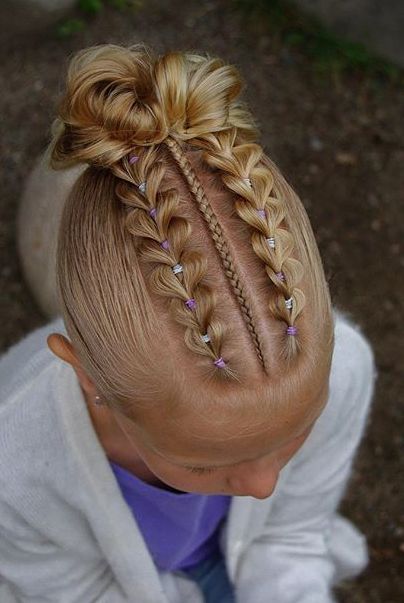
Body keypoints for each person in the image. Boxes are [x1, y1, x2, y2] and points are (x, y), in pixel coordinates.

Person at [0, 44, 377, 603]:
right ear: (89, 378)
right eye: (201, 465)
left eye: (299, 431)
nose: (263, 485)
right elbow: (69, 590)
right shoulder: (15, 465)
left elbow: (293, 536)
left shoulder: (340, 367)